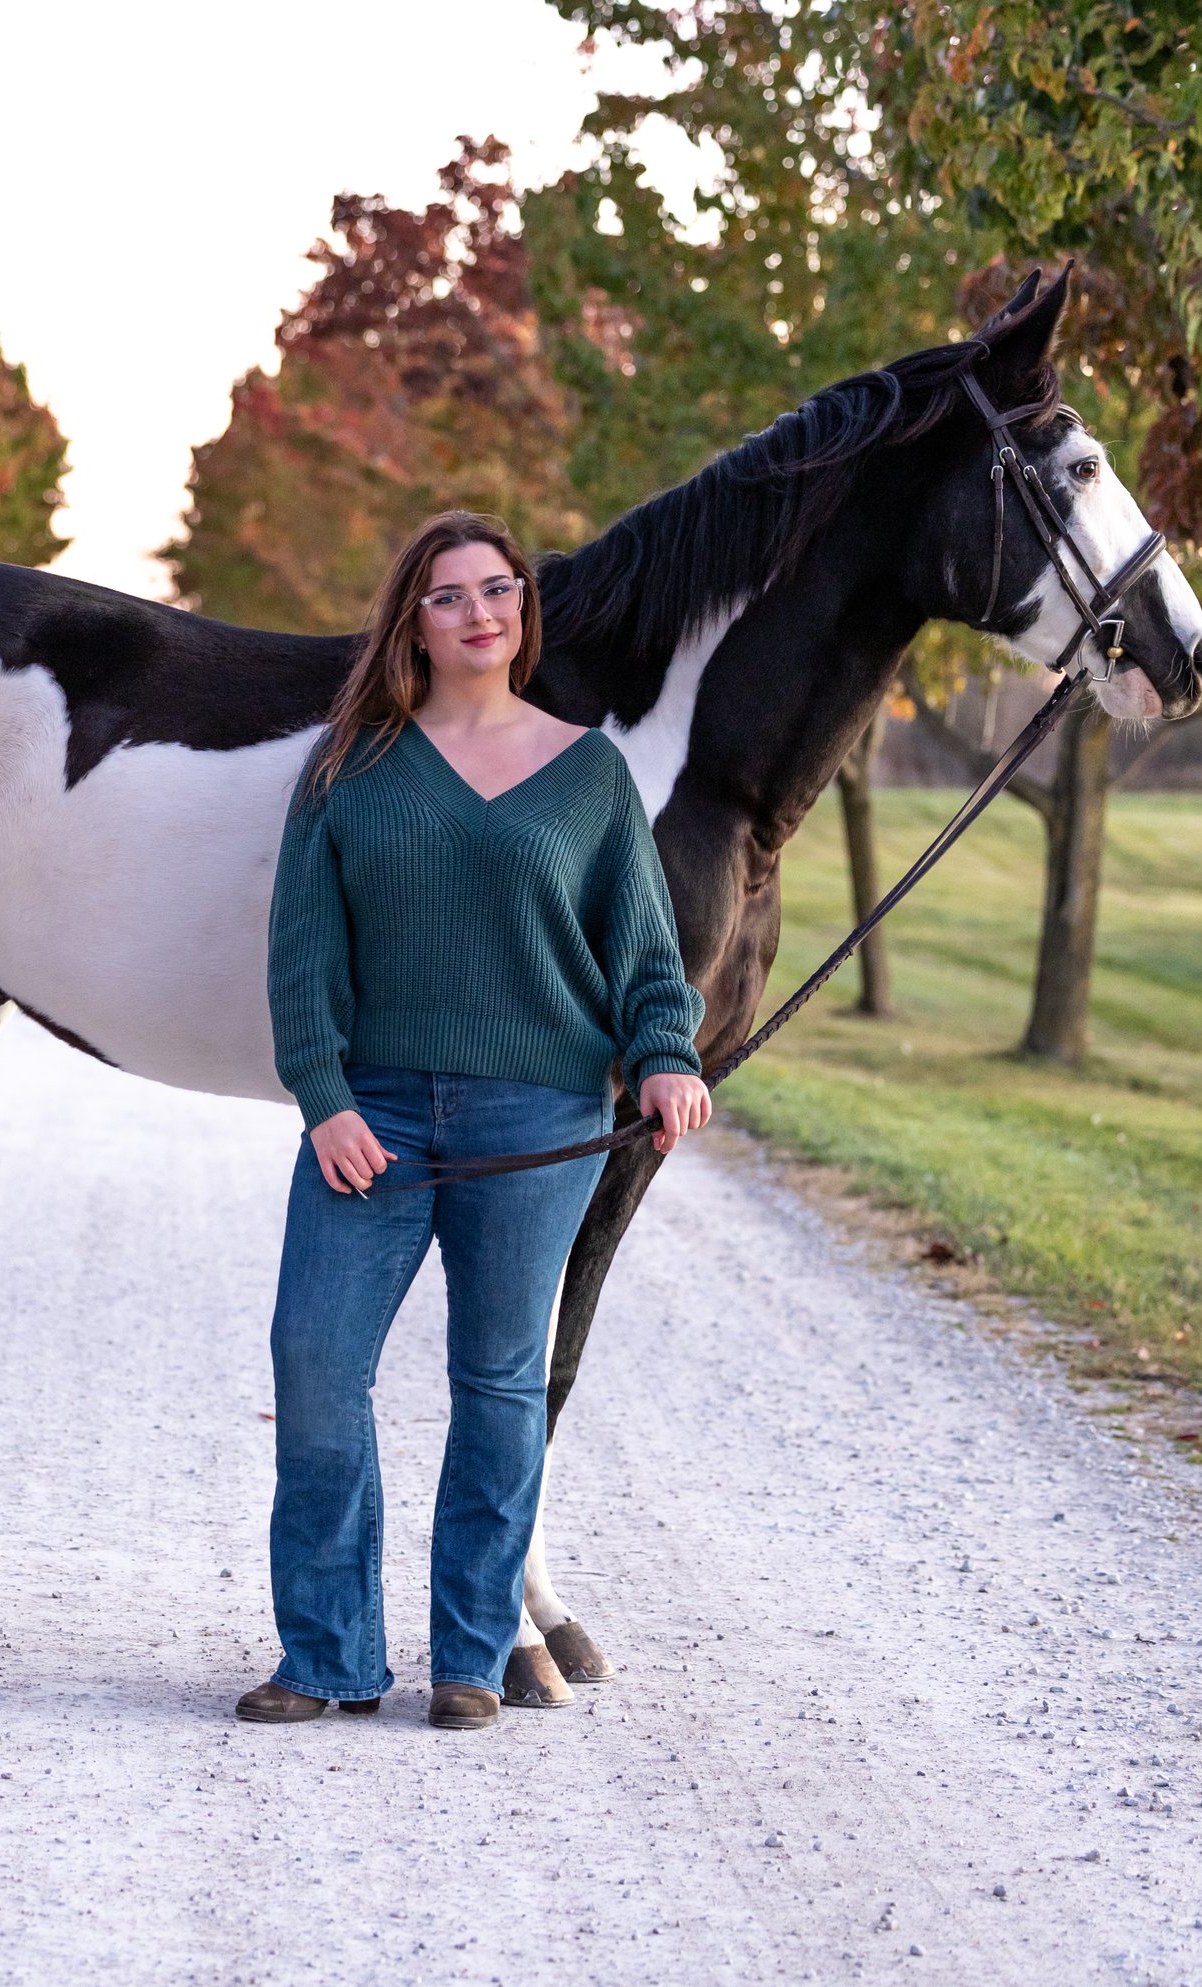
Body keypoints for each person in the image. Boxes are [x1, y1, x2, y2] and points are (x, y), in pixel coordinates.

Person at [238, 511, 711, 1732]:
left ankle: (468, 1652)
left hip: (535, 1113)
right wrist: (327, 1099)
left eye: (497, 589)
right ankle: (330, 1653)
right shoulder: (349, 763)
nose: (479, 611)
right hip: (376, 1117)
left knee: (498, 1382)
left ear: (521, 611)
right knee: (315, 1361)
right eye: (448, 595)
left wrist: (663, 1059)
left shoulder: (588, 771)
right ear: (413, 620)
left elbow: (644, 953)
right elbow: (300, 956)